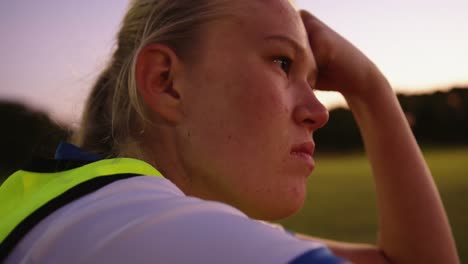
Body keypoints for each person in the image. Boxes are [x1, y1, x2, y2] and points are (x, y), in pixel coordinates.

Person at [0, 0, 459, 263]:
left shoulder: (88, 209)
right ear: (167, 83)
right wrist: (374, 93)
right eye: (282, 62)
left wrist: (372, 89)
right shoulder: (173, 239)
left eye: (314, 78)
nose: (318, 110)